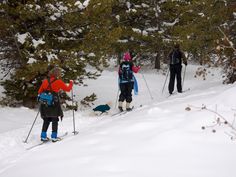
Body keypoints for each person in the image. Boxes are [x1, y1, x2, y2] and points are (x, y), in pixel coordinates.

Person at [38, 66, 73, 142]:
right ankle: (54, 136)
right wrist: (71, 83)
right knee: (54, 119)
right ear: (58, 74)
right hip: (54, 102)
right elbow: (68, 89)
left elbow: (40, 91)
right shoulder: (58, 81)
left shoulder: (45, 81)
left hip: (45, 103)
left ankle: (43, 136)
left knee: (46, 119)